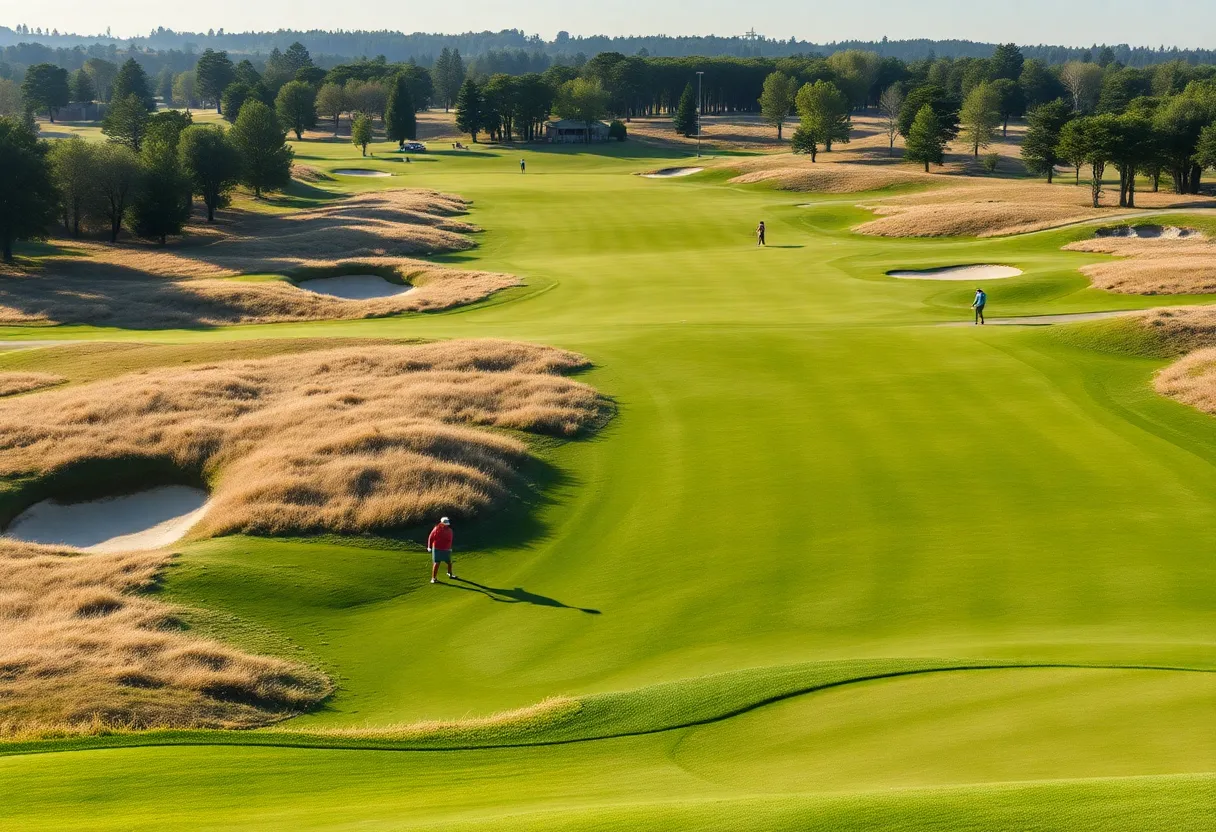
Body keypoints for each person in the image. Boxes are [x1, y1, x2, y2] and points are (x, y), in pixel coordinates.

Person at [428, 517, 455, 583]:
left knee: (449, 562)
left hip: (447, 549)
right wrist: (429, 547)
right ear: (441, 523)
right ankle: (433, 578)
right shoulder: (436, 529)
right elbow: (430, 537)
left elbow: (450, 540)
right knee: (437, 563)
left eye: (447, 524)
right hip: (437, 548)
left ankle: (450, 574)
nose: (446, 525)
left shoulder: (450, 530)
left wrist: (450, 548)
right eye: (445, 524)